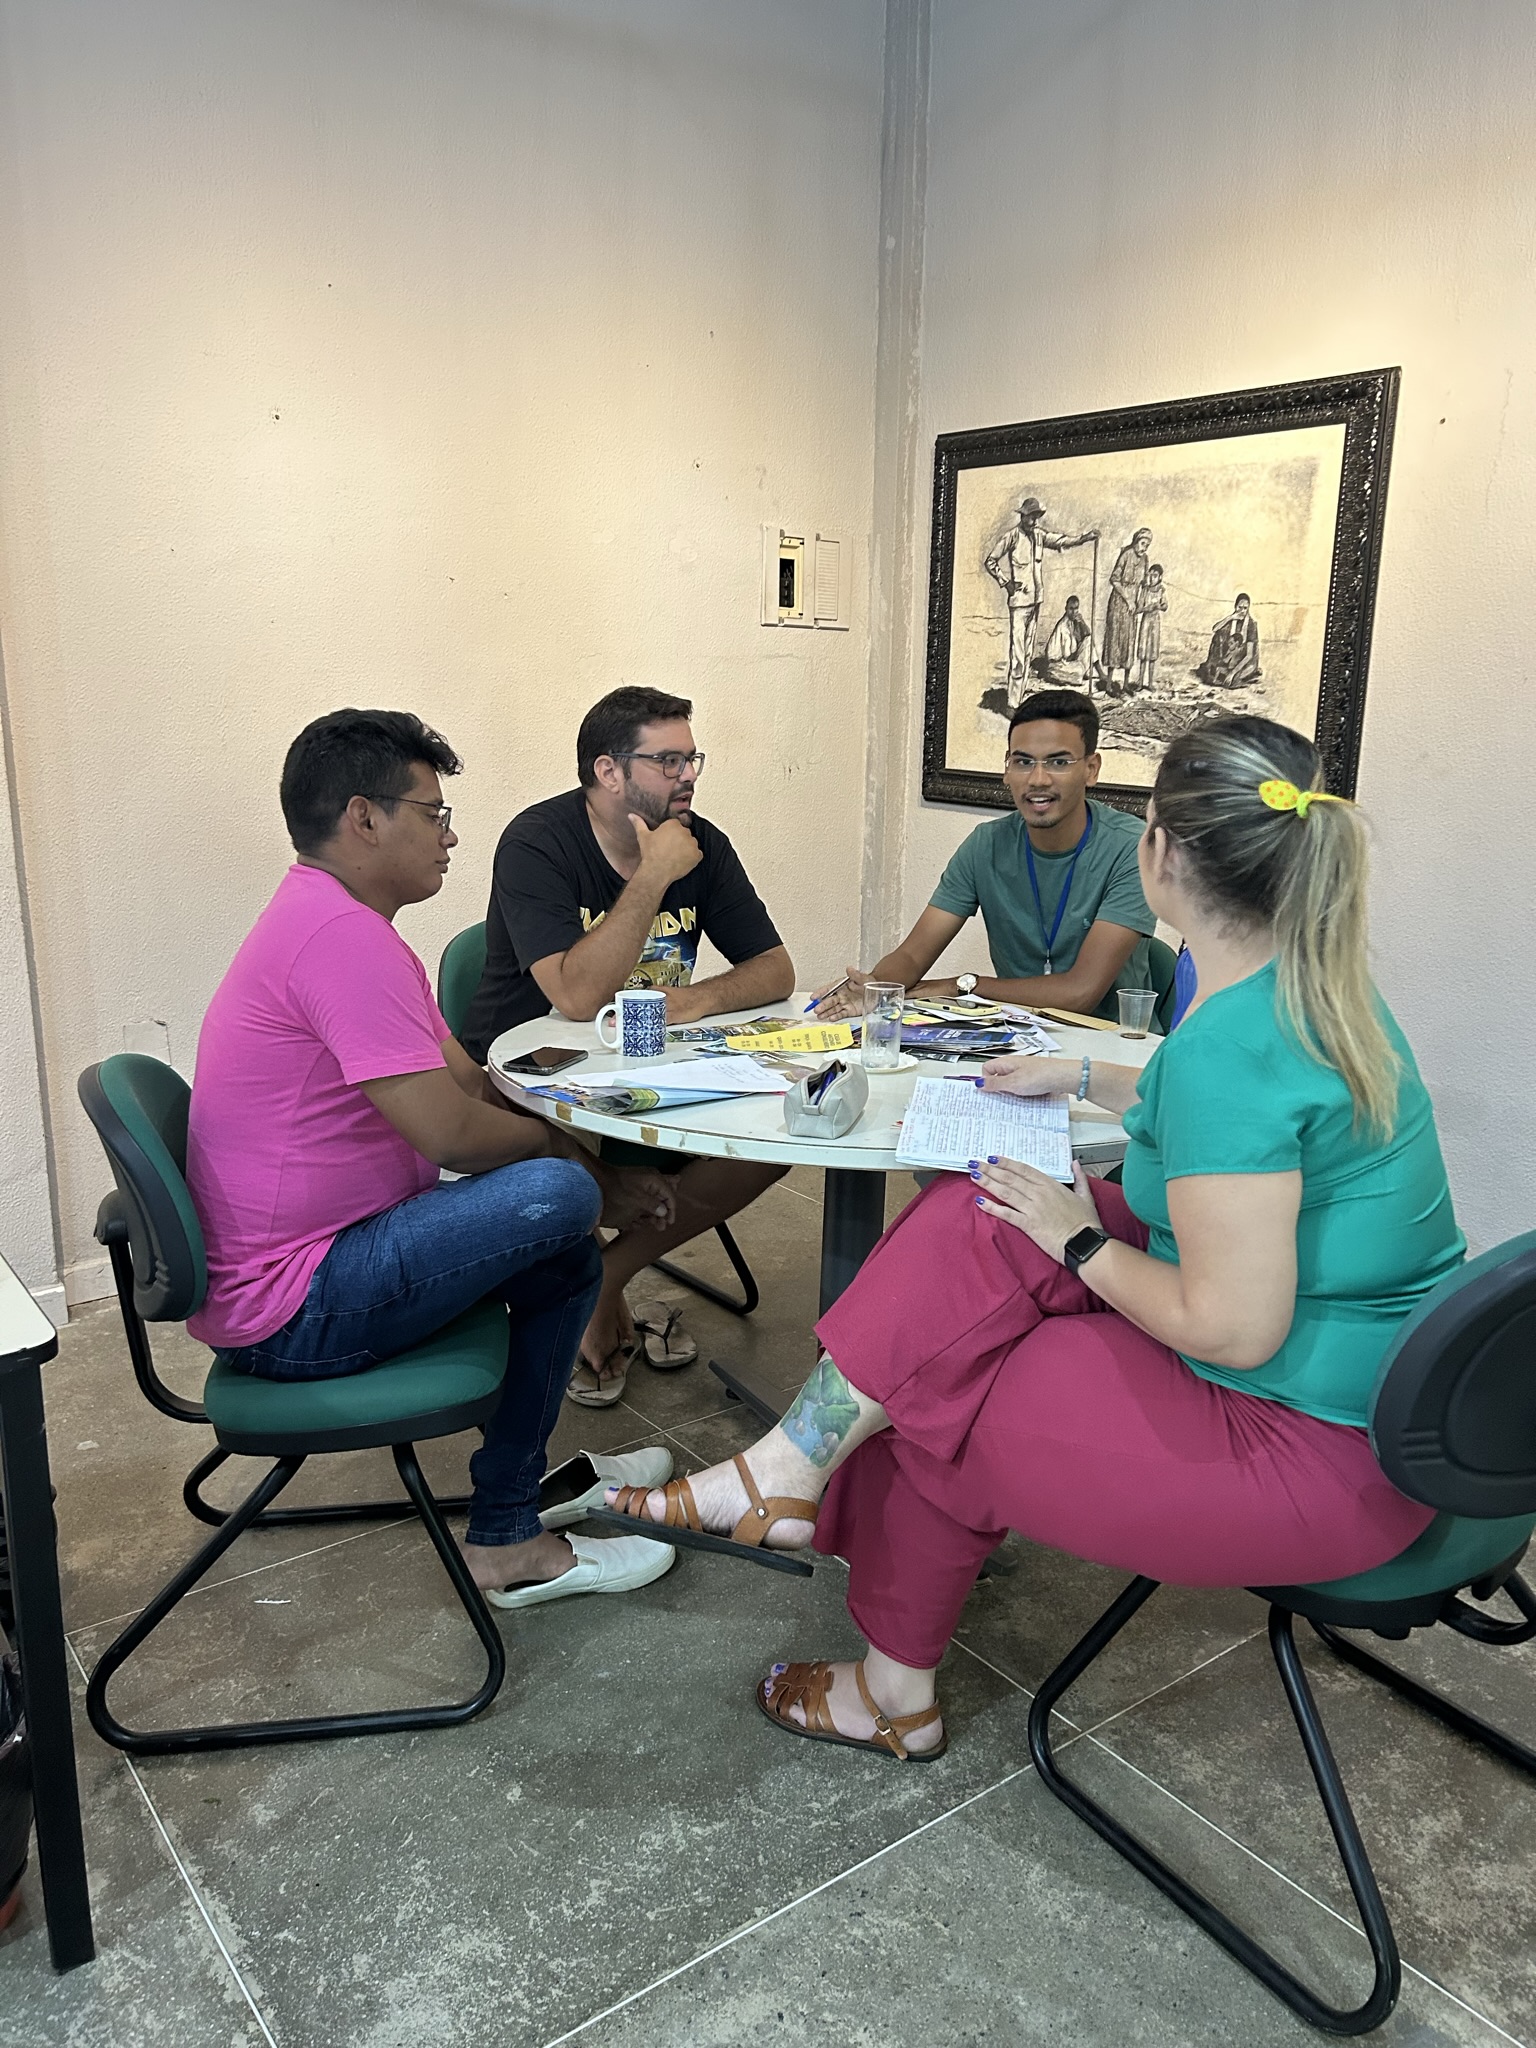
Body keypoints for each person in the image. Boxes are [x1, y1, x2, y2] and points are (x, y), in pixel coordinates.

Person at [602, 713, 1466, 1760]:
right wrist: (1087, 1074)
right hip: (1395, 1408)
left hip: (1312, 1453)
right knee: (979, 1206)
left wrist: (1079, 1243)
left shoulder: (1234, 1050)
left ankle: (887, 1687)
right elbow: (1231, 1108)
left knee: (940, 1383)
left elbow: (1233, 1326)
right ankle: (786, 1465)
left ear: (1160, 851)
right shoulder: (1316, 993)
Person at [186, 709, 679, 1611]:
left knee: (564, 1243)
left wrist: (592, 1178)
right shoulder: (337, 938)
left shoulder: (350, 925)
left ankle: (511, 1513)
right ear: (364, 818)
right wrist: (586, 1175)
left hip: (327, 1258)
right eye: (432, 812)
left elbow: (468, 1081)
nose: (449, 835)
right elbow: (451, 1133)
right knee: (554, 1196)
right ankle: (513, 1539)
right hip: (295, 1305)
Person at [460, 686, 796, 1405]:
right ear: (608, 771)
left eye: (692, 758)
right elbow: (577, 997)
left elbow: (776, 969)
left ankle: (605, 1275)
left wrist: (692, 1001)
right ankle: (582, 1274)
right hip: (527, 1087)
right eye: (668, 760)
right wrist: (653, 875)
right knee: (542, 1140)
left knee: (781, 1133)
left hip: (647, 1070)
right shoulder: (537, 842)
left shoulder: (702, 843)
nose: (688, 775)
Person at [812, 690, 1153, 1025]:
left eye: (1058, 762)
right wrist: (875, 989)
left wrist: (964, 986)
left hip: (1116, 1042)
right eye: (1023, 762)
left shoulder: (1130, 847)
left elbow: (1081, 993)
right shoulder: (986, 845)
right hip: (1019, 1035)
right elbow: (913, 955)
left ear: (1091, 769)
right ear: (1007, 769)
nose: (1038, 779)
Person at [983, 498, 1097, 708]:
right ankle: (1012, 704)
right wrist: (1005, 582)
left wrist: (1084, 538)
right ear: (1023, 515)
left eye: (1037, 517)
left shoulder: (1039, 536)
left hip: (1035, 602)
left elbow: (1061, 541)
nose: (1035, 521)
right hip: (1019, 604)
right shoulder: (1012, 536)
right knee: (1018, 655)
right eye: (1032, 516)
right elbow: (990, 561)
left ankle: (1018, 698)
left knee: (1027, 654)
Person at [1101, 528, 1152, 696]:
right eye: (1143, 543)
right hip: (1118, 603)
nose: (1144, 548)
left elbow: (1144, 582)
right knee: (1115, 641)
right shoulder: (1126, 555)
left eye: (1147, 545)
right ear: (1136, 541)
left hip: (1132, 606)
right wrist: (1128, 599)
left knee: (1129, 642)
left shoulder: (1145, 559)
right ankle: (1109, 684)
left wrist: (1142, 597)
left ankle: (1125, 684)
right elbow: (1114, 579)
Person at [1200, 593, 1262, 690]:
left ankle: (1239, 674)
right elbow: (1215, 629)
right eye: (1239, 607)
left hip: (1245, 661)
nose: (1242, 611)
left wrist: (1232, 673)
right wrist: (1230, 618)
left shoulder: (1251, 625)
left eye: (1245, 608)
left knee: (1233, 679)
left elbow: (1249, 655)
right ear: (1235, 606)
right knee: (1217, 636)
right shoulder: (1232, 620)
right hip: (1230, 657)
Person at [1134, 563, 1168, 694]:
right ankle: (1140, 683)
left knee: (1152, 654)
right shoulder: (1145, 590)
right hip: (1146, 622)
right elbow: (1138, 608)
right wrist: (1146, 608)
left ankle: (1149, 683)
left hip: (1155, 623)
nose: (1152, 578)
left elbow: (1165, 606)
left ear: (1160, 577)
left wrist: (1159, 606)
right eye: (1150, 575)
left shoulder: (1161, 590)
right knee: (1143, 653)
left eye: (1155, 576)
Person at [1043, 595, 1091, 685]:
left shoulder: (1075, 622)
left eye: (1076, 608)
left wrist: (1082, 622)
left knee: (1088, 641)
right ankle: (1056, 675)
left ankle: (1098, 673)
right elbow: (1063, 655)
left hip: (1071, 662)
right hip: (1059, 663)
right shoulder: (1062, 626)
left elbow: (1088, 634)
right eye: (1071, 609)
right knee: (1079, 671)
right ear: (1066, 609)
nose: (1074, 612)